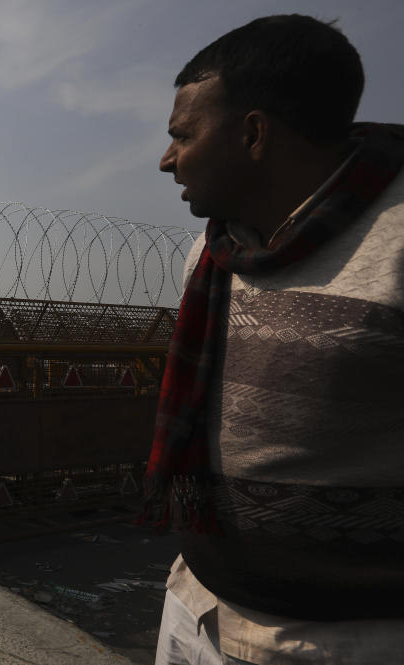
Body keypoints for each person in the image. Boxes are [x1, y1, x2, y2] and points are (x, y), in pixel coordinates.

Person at [149, 14, 404, 665]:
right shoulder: (212, 255)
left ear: (254, 133)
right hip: (197, 604)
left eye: (183, 135)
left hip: (336, 640)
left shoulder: (394, 239)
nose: (167, 158)